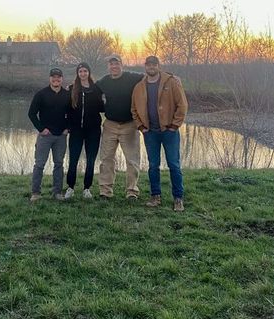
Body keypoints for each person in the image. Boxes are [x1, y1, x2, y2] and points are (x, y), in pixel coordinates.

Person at [131, 55, 188, 211]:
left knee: (174, 165)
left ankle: (178, 198)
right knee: (153, 165)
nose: (151, 67)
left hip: (169, 132)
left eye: (154, 64)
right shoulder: (139, 87)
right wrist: (141, 127)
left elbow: (182, 106)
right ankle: (155, 196)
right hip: (150, 133)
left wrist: (174, 126)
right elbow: (134, 109)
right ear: (145, 66)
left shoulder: (171, 82)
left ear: (158, 65)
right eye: (148, 64)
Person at [97, 55, 143, 200]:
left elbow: (150, 75)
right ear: (108, 66)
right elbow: (89, 88)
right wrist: (72, 88)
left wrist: (171, 77)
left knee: (132, 160)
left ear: (121, 65)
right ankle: (105, 191)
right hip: (110, 125)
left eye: (116, 64)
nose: (114, 67)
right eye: (111, 64)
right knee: (106, 159)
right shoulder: (104, 81)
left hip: (129, 125)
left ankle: (132, 191)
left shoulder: (132, 77)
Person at [28, 67, 70, 201]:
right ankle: (36, 193)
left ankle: (57, 192)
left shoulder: (67, 95)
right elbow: (31, 114)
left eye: (58, 77)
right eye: (53, 77)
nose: (56, 79)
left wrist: (67, 128)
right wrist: (41, 129)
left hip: (61, 136)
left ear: (62, 79)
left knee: (59, 164)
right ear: (50, 78)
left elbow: (73, 114)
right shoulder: (41, 94)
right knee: (39, 164)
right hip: (45, 136)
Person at [64, 62, 103, 200]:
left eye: (85, 71)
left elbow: (102, 108)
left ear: (89, 72)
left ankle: (87, 188)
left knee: (91, 160)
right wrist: (67, 126)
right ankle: (70, 187)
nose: (83, 73)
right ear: (77, 73)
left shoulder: (96, 89)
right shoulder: (71, 89)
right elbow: (66, 110)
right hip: (76, 131)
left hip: (93, 131)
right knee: (73, 160)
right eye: (80, 71)